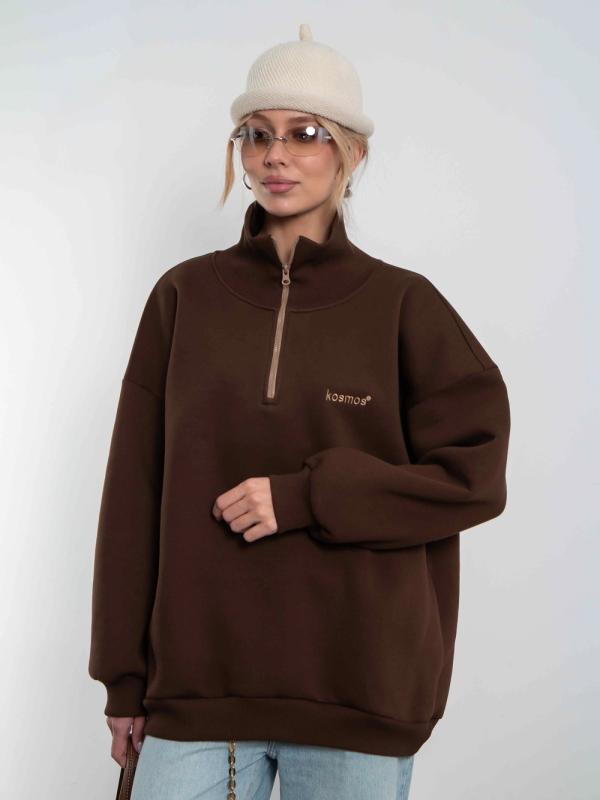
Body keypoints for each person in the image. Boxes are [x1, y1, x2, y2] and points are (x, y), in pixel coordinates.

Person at [88, 23, 511, 800]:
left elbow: (473, 479)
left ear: (352, 151)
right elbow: (133, 495)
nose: (274, 155)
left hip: (358, 690)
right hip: (197, 693)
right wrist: (123, 678)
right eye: (256, 134)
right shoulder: (183, 298)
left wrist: (309, 496)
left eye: (304, 133)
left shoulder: (404, 306)